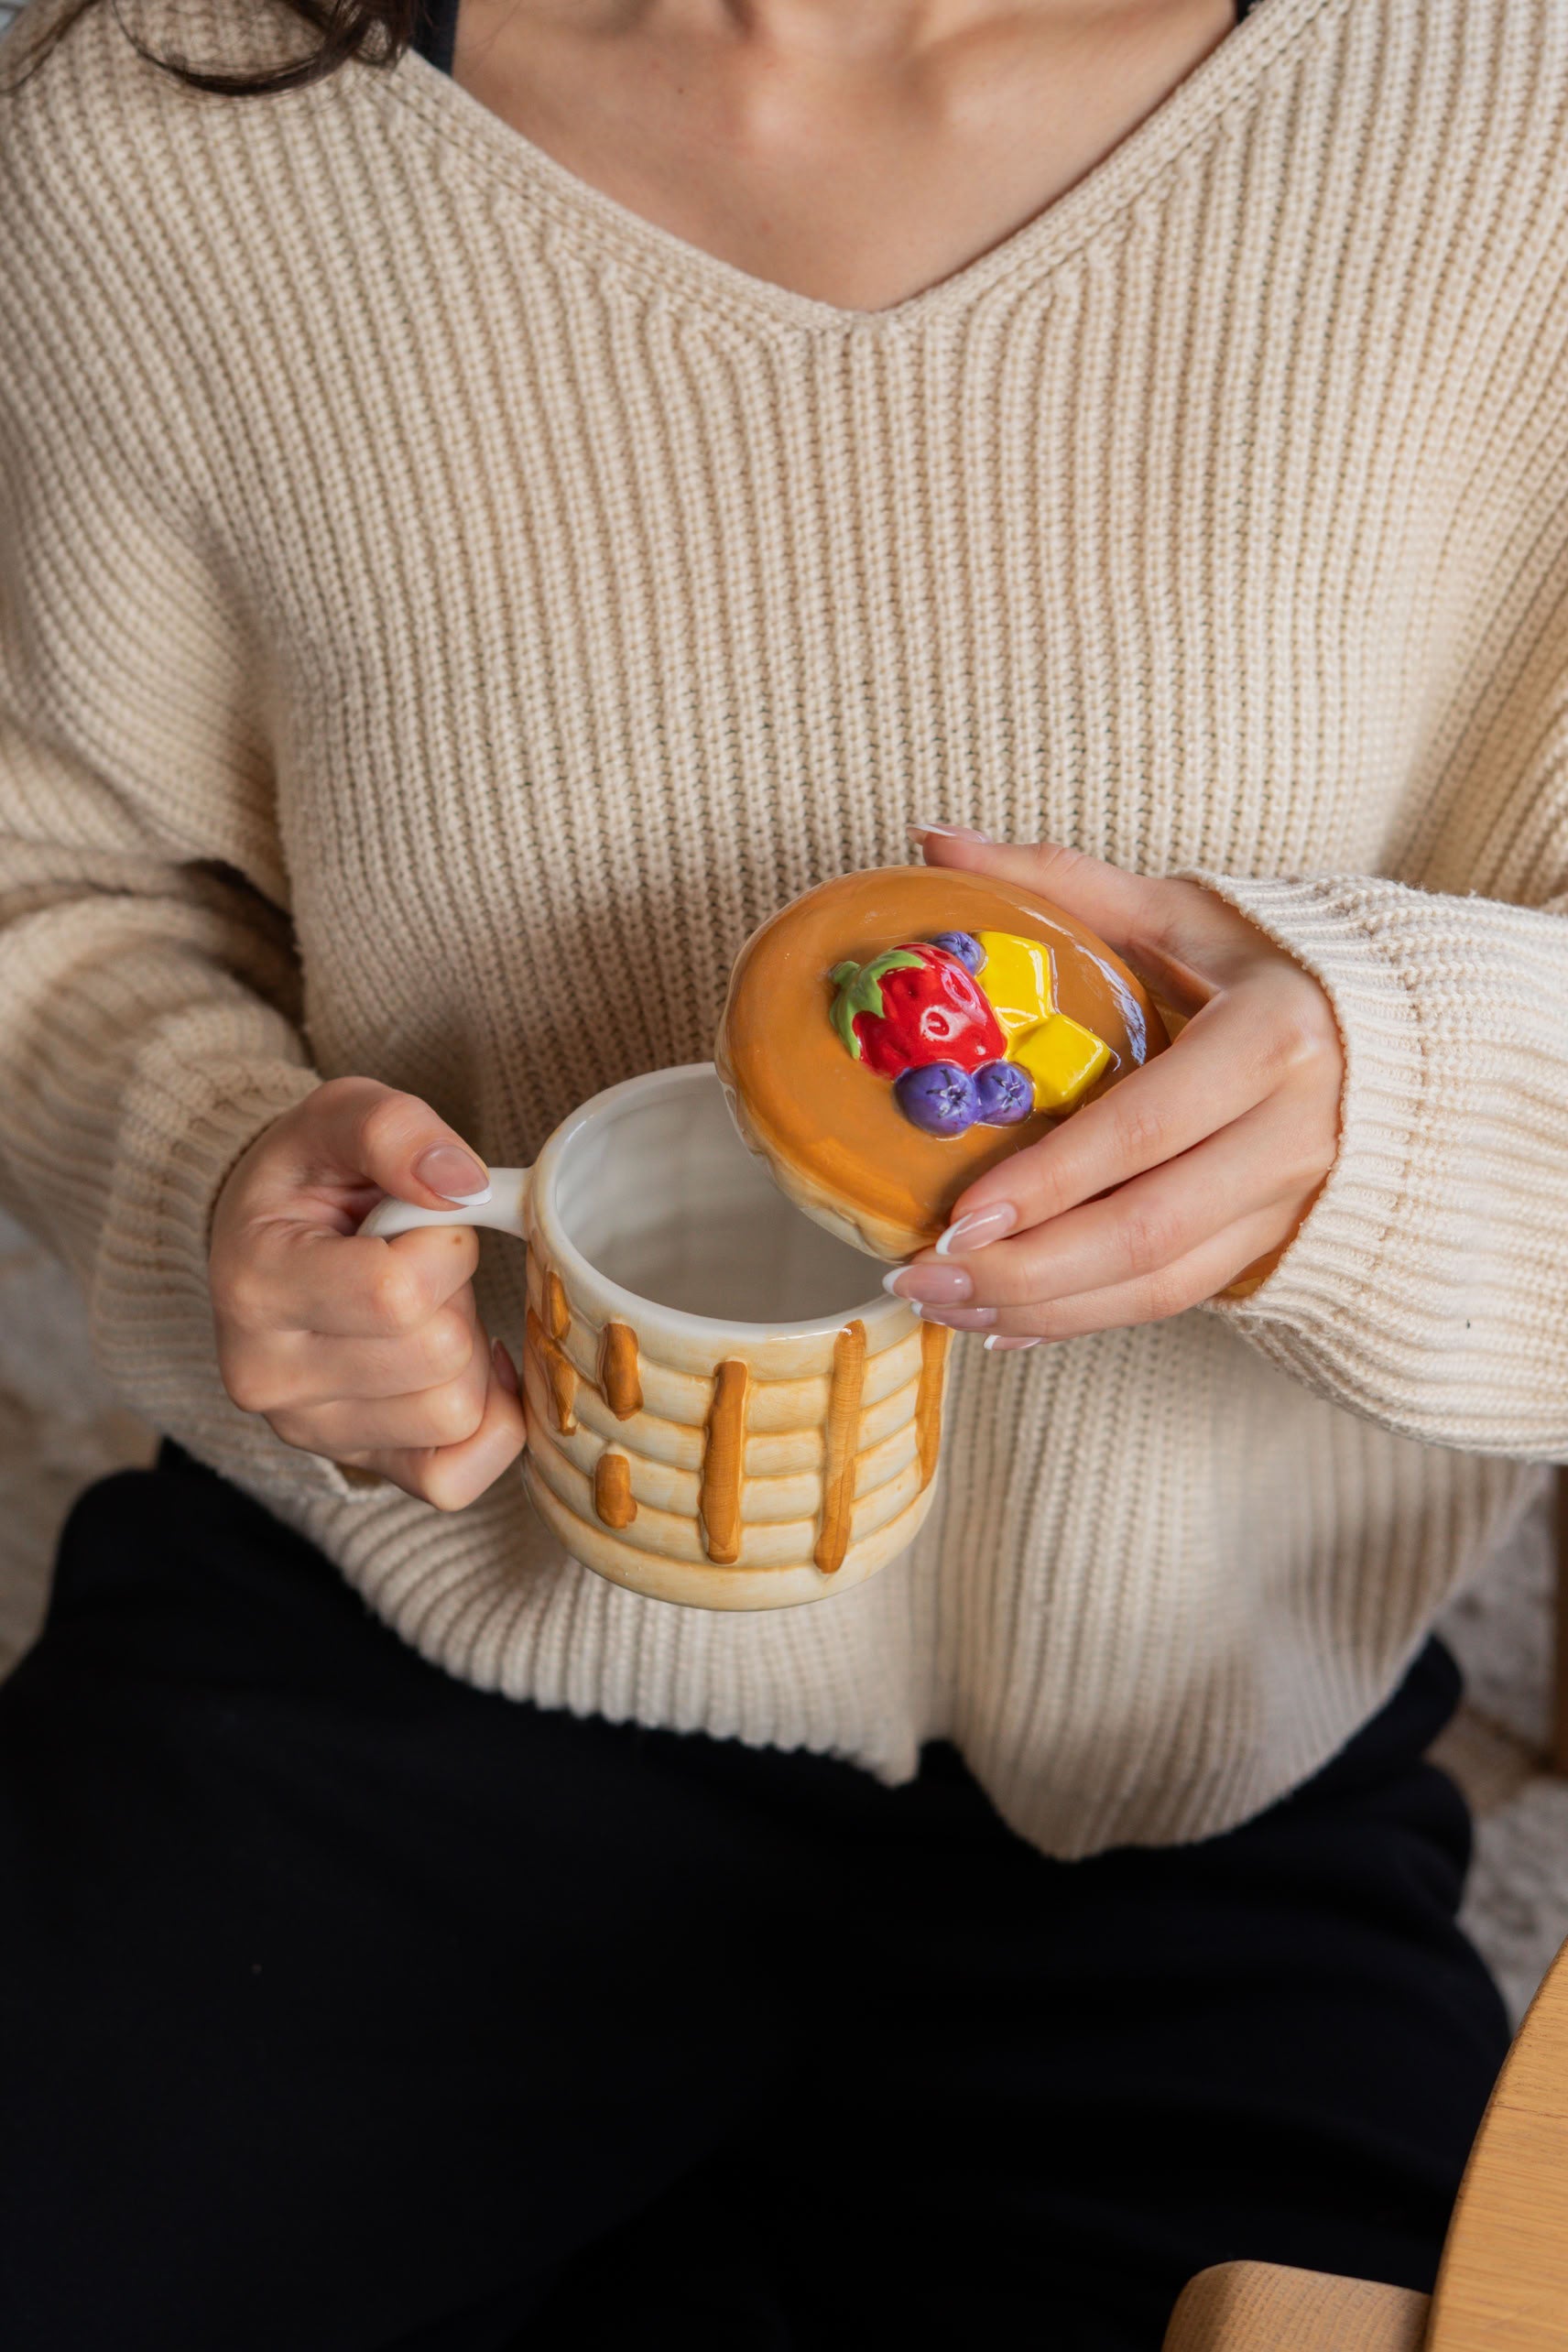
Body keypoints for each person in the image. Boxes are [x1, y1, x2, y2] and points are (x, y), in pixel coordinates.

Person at [0, 0, 1563, 2339]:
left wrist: (1412, 1092)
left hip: (1194, 1767)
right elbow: (60, 880)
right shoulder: (137, 127)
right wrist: (209, 1161)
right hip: (379, 1666)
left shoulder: (1507, 112)